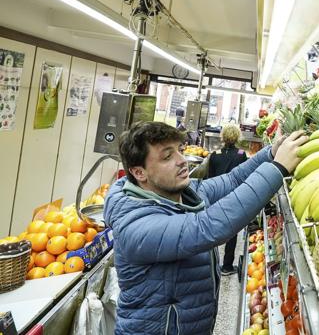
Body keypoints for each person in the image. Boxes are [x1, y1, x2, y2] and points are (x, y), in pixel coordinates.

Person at [103, 121, 308, 334]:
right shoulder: (135, 226)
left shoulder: (183, 193)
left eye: (180, 151)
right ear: (139, 173)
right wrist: (278, 168)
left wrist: (271, 153)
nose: (182, 161)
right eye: (167, 157)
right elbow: (208, 226)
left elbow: (233, 180)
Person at [206, 124, 248, 276]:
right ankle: (227, 266)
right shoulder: (241, 154)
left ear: (222, 136)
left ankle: (210, 264)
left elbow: (209, 178)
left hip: (216, 196)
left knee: (212, 230)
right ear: (237, 137)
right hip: (234, 196)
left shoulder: (215, 154)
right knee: (232, 231)